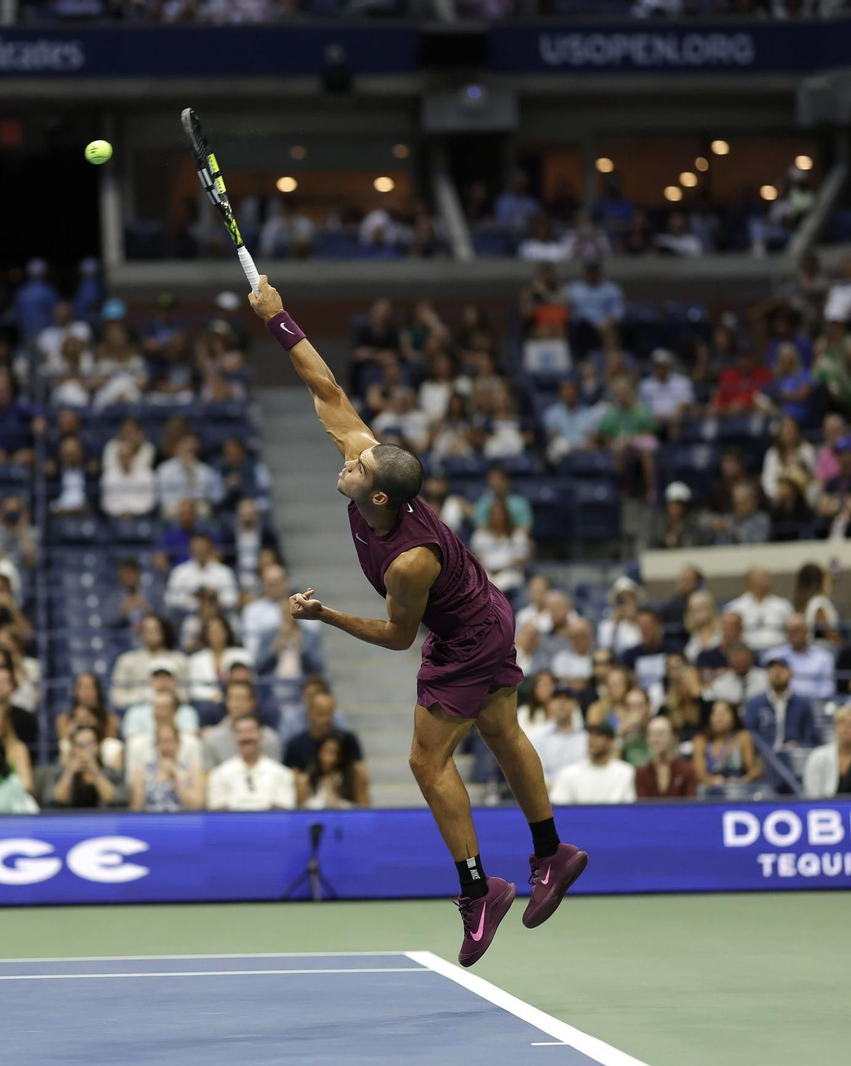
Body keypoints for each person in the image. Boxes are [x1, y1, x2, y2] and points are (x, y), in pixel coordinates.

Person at [252, 272, 585, 967]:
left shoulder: (408, 562)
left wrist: (325, 616)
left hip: (465, 634)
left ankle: (478, 891)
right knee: (499, 728)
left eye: (358, 464)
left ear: (375, 492)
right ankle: (553, 853)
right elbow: (328, 391)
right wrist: (279, 319)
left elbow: (399, 636)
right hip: (488, 612)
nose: (349, 458)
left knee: (425, 762)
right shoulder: (370, 472)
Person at [206, 715, 297, 811]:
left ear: (261, 735)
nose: (246, 737)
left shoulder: (282, 773)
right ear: (234, 737)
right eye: (240, 732)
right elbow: (217, 811)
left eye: (250, 731)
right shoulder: (219, 774)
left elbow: (284, 810)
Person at [742, 656, 819, 750]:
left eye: (781, 668)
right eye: (772, 669)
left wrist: (798, 745)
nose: (777, 673)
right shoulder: (754, 704)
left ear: (791, 673)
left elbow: (810, 736)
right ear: (767, 674)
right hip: (764, 757)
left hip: (794, 756)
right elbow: (749, 734)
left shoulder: (803, 704)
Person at [803, 704, 851, 798]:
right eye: (842, 723)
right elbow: (812, 796)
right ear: (836, 727)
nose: (846, 728)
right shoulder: (818, 757)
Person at [549, 722, 635, 804]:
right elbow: (558, 806)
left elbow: (629, 809)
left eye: (598, 735)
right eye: (590, 734)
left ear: (610, 741)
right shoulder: (570, 773)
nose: (592, 740)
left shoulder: (625, 772)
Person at [129, 722, 206, 812]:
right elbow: (136, 809)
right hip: (151, 822)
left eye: (169, 741)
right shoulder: (142, 771)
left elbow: (197, 806)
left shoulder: (193, 770)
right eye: (161, 742)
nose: (165, 747)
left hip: (183, 822)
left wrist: (175, 778)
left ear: (178, 743)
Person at [46, 724, 122, 808]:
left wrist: (96, 773)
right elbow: (57, 799)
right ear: (73, 747)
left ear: (97, 746)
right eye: (80, 745)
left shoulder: (111, 773)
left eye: (89, 744)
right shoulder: (59, 773)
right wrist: (69, 773)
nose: (85, 749)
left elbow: (113, 799)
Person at [724, 567, 794, 652]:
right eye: (764, 577)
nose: (769, 581)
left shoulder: (783, 605)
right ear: (749, 580)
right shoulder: (734, 607)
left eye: (769, 577)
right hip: (746, 654)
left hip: (779, 652)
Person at [694, 702, 761, 787]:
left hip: (737, 790)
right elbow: (699, 774)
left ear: (734, 717)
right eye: (715, 713)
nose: (719, 717)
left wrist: (742, 781)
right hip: (709, 792)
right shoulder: (701, 741)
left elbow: (754, 771)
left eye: (724, 713)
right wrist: (711, 781)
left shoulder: (742, 738)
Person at [298, 732, 369, 809]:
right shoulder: (306, 780)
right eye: (327, 752)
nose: (331, 758)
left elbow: (364, 810)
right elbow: (302, 814)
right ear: (319, 752)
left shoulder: (353, 778)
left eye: (336, 753)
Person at [633, 717, 697, 799]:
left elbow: (692, 805)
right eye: (652, 734)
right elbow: (642, 807)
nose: (656, 739)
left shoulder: (687, 770)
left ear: (673, 738)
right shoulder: (642, 773)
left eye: (661, 734)